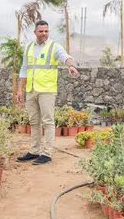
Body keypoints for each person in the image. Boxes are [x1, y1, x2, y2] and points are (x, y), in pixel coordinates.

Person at [15, 20, 79, 165]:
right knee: (34, 122)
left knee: (47, 121)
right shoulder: (29, 48)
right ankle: (34, 151)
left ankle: (46, 153)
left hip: (47, 91)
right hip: (31, 90)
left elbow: (65, 57)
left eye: (46, 31)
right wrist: (20, 89)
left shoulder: (54, 46)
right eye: (41, 31)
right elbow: (24, 69)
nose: (44, 34)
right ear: (35, 32)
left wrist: (71, 66)